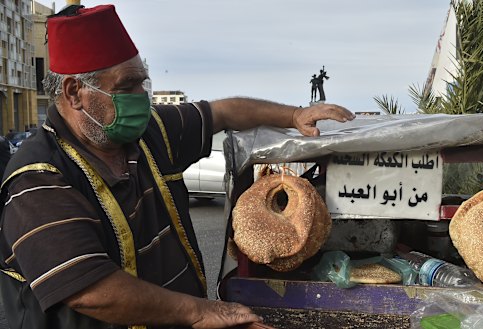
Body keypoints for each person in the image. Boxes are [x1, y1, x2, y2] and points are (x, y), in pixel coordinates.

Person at [0, 4, 354, 329]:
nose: (143, 95)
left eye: (143, 81)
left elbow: (224, 112)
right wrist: (201, 312)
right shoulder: (38, 177)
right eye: (128, 85)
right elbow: (90, 289)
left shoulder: (150, 132)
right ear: (75, 92)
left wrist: (294, 115)